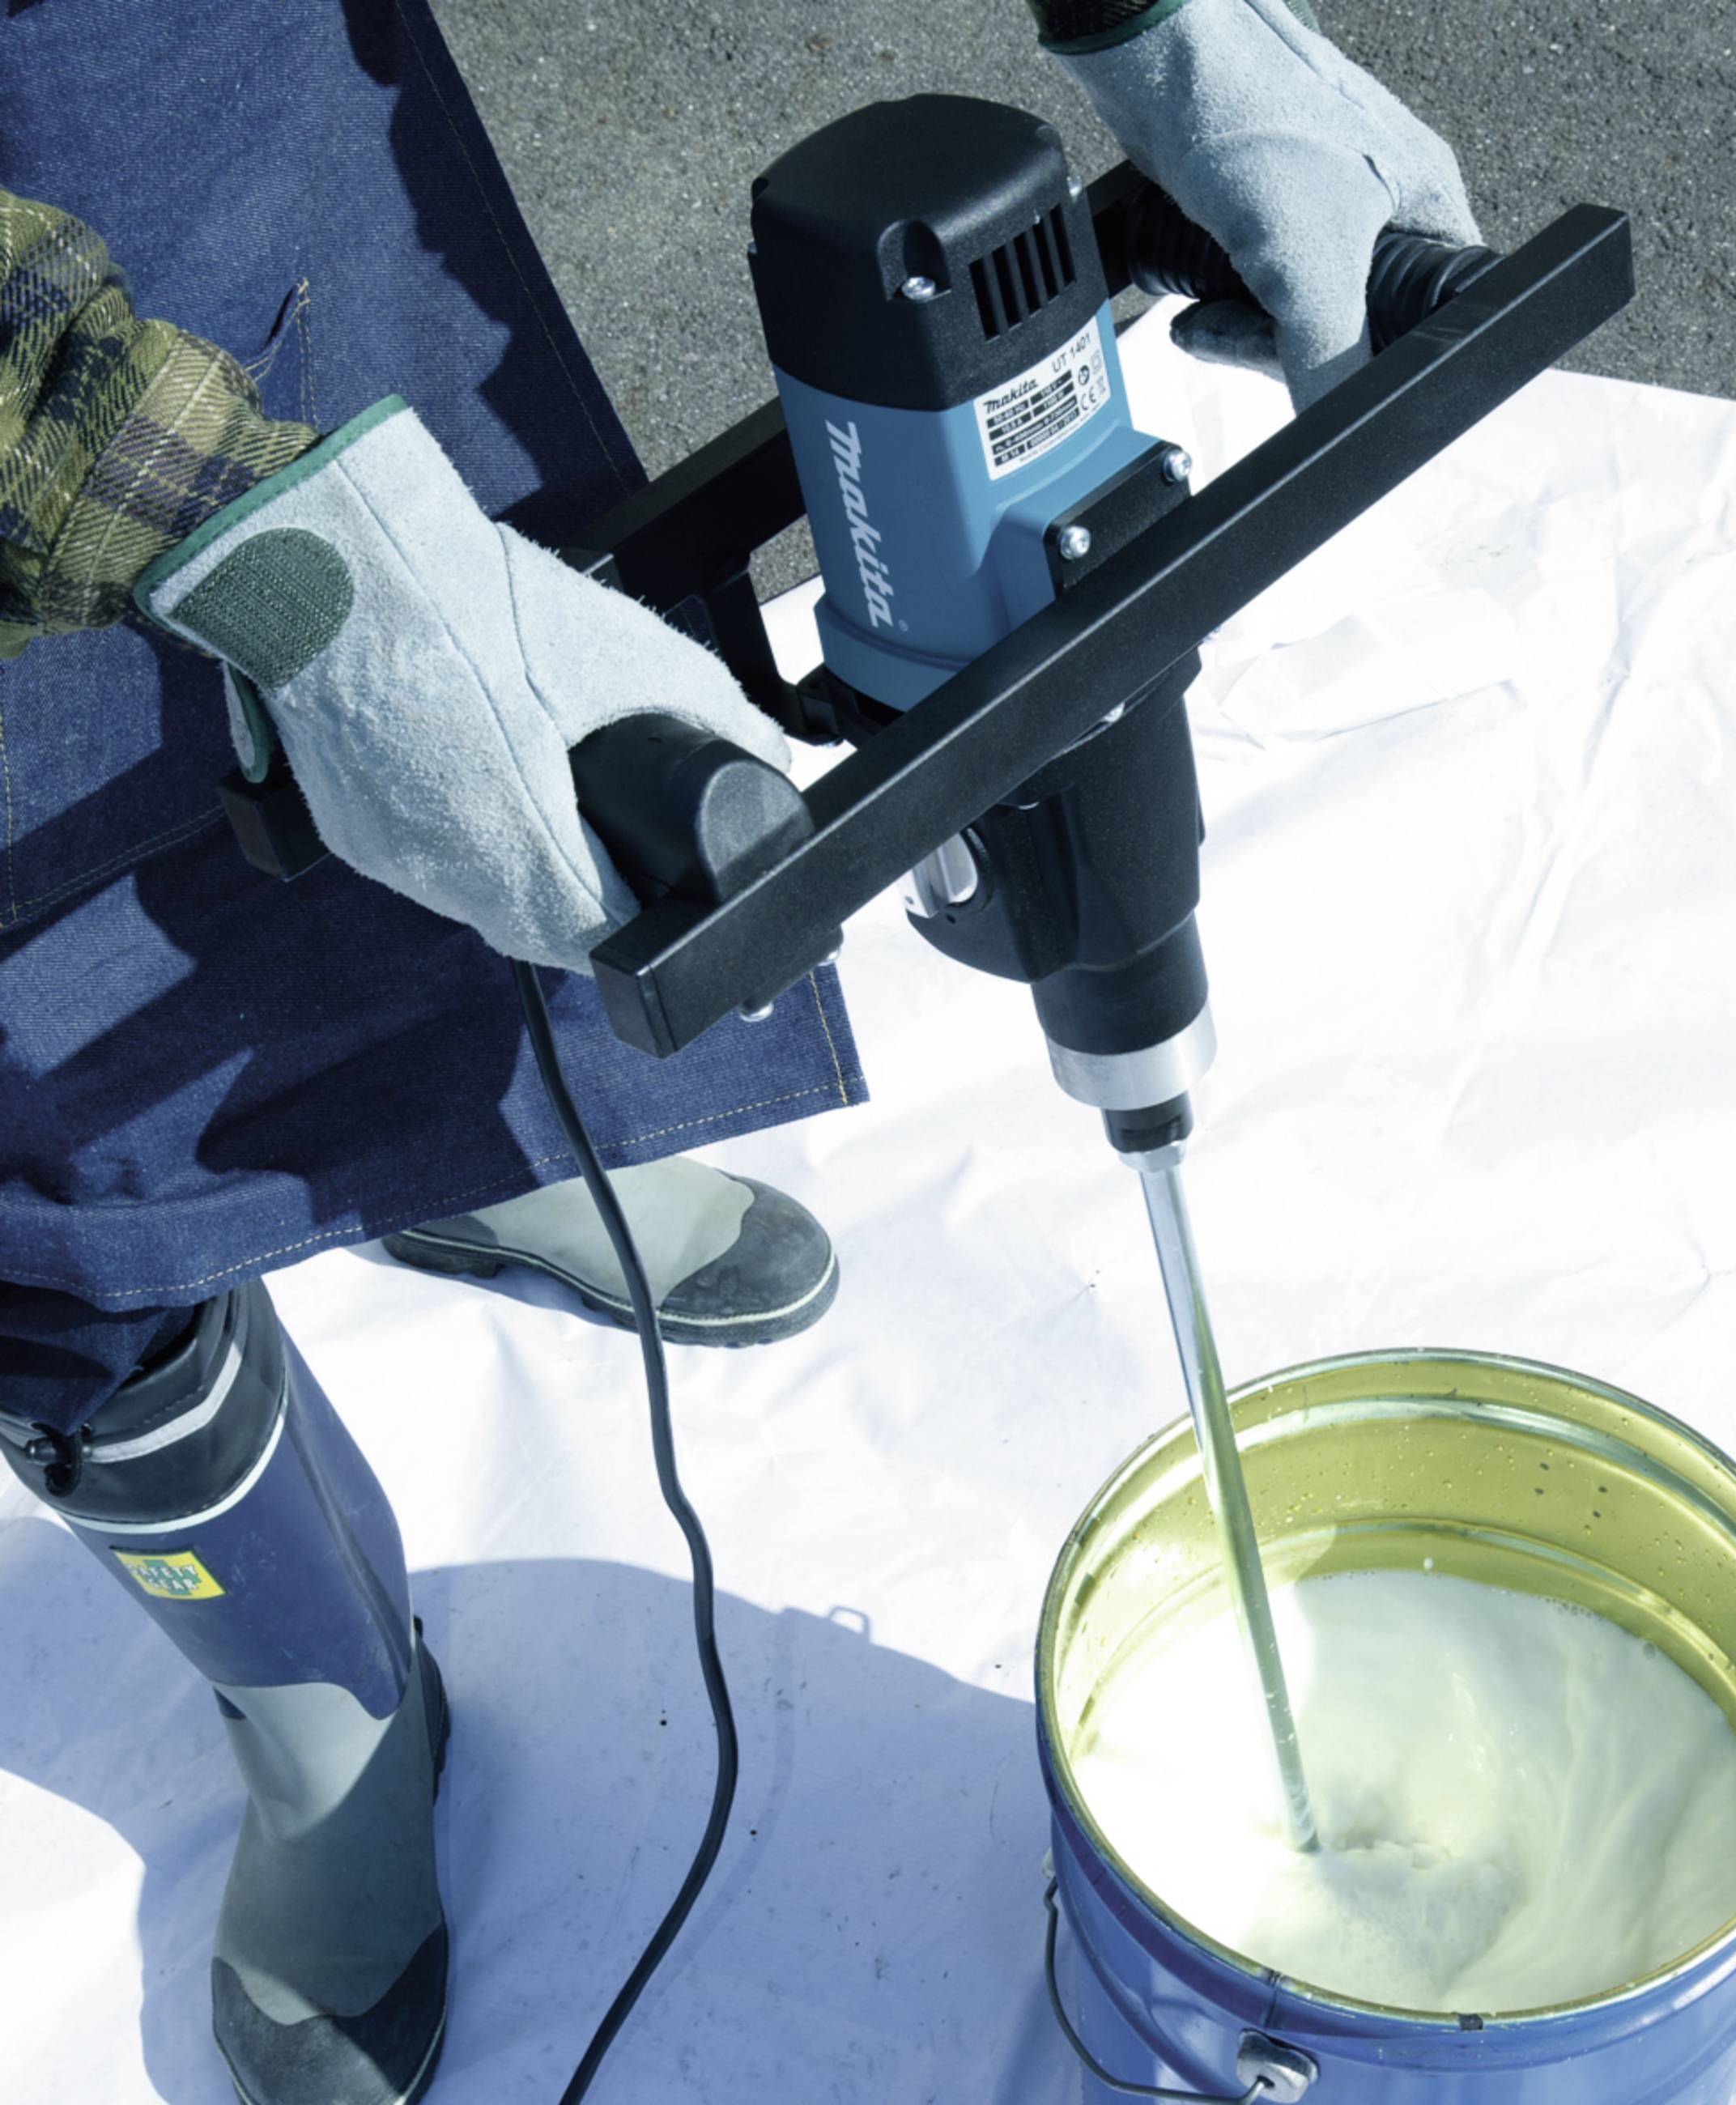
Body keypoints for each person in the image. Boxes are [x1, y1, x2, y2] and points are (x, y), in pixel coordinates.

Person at [0, 2, 1476, 2099]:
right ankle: (319, 1708)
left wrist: (1165, 15)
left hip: (178, 81)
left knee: (488, 732)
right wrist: (192, 514)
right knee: (41, 1095)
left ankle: (444, 1143)